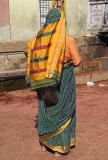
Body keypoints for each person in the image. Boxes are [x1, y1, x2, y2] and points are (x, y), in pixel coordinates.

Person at [25, 0, 80, 157]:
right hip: (64, 79)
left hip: (43, 81)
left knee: (45, 109)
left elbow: (29, 53)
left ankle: (44, 143)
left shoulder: (37, 39)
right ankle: (59, 147)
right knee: (63, 109)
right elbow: (77, 62)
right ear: (61, 22)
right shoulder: (68, 40)